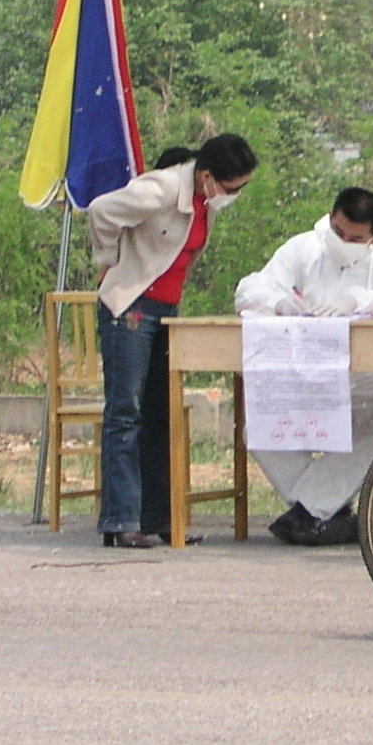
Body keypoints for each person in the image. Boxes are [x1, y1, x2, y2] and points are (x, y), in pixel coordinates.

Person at [85, 134, 258, 549]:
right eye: (231, 187)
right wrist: (108, 262)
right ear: (206, 175)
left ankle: (159, 517)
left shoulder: (203, 202)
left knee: (161, 415)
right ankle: (120, 520)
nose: (234, 195)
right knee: (126, 414)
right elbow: (102, 210)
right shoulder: (163, 187)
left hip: (167, 312)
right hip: (131, 308)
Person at [235, 187, 373, 545]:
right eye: (338, 232)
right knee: (258, 429)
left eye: (355, 238)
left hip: (370, 382)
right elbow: (249, 289)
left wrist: (360, 300)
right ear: (330, 217)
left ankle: (309, 512)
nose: (343, 241)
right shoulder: (303, 247)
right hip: (305, 379)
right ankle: (327, 513)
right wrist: (278, 303)